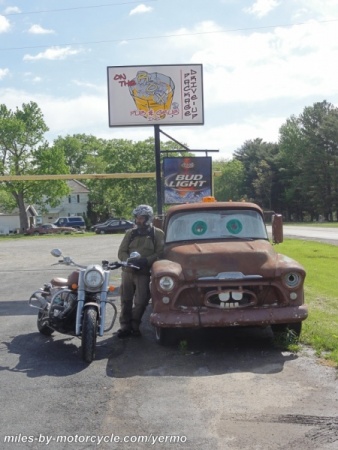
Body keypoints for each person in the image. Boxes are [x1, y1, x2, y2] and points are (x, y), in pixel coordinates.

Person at [117, 204, 164, 338]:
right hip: (128, 271)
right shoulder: (130, 233)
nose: (138, 220)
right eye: (137, 217)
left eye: (141, 218)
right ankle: (125, 327)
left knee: (142, 300)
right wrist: (128, 260)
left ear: (148, 218)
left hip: (143, 272)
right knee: (125, 300)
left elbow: (160, 252)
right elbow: (122, 251)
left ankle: (135, 325)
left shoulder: (157, 234)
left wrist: (146, 261)